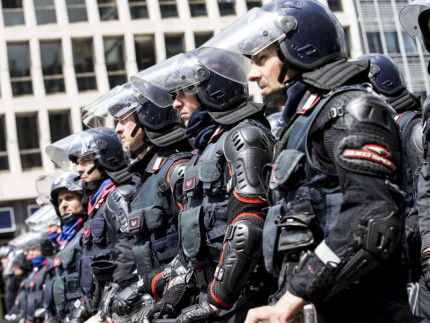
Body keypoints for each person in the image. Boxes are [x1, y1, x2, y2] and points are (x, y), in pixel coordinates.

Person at [198, 1, 415, 322]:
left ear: (301, 49)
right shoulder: (305, 119)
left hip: (358, 308)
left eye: (261, 59)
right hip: (312, 302)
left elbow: (372, 219)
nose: (254, 73)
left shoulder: (350, 109)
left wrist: (292, 299)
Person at [127, 49, 275, 322]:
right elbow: (192, 250)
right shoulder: (207, 149)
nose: (175, 104)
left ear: (212, 89)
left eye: (183, 92)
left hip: (244, 299)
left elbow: (247, 226)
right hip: (215, 297)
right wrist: (166, 300)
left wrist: (217, 301)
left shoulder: (243, 136)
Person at [81, 81, 192, 322]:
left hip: (179, 303)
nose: (118, 129)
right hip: (157, 302)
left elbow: (193, 250)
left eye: (123, 120)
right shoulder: (145, 176)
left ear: (147, 116)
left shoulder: (176, 168)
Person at [45, 128, 129, 322]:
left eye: (85, 161)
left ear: (105, 157)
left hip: (119, 304)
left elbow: (127, 247)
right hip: (100, 306)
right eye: (78, 162)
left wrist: (117, 294)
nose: (79, 169)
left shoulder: (117, 196)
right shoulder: (96, 205)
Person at [34, 172, 87, 322]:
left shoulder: (89, 231)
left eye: (69, 198)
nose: (64, 204)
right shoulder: (64, 241)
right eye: (60, 201)